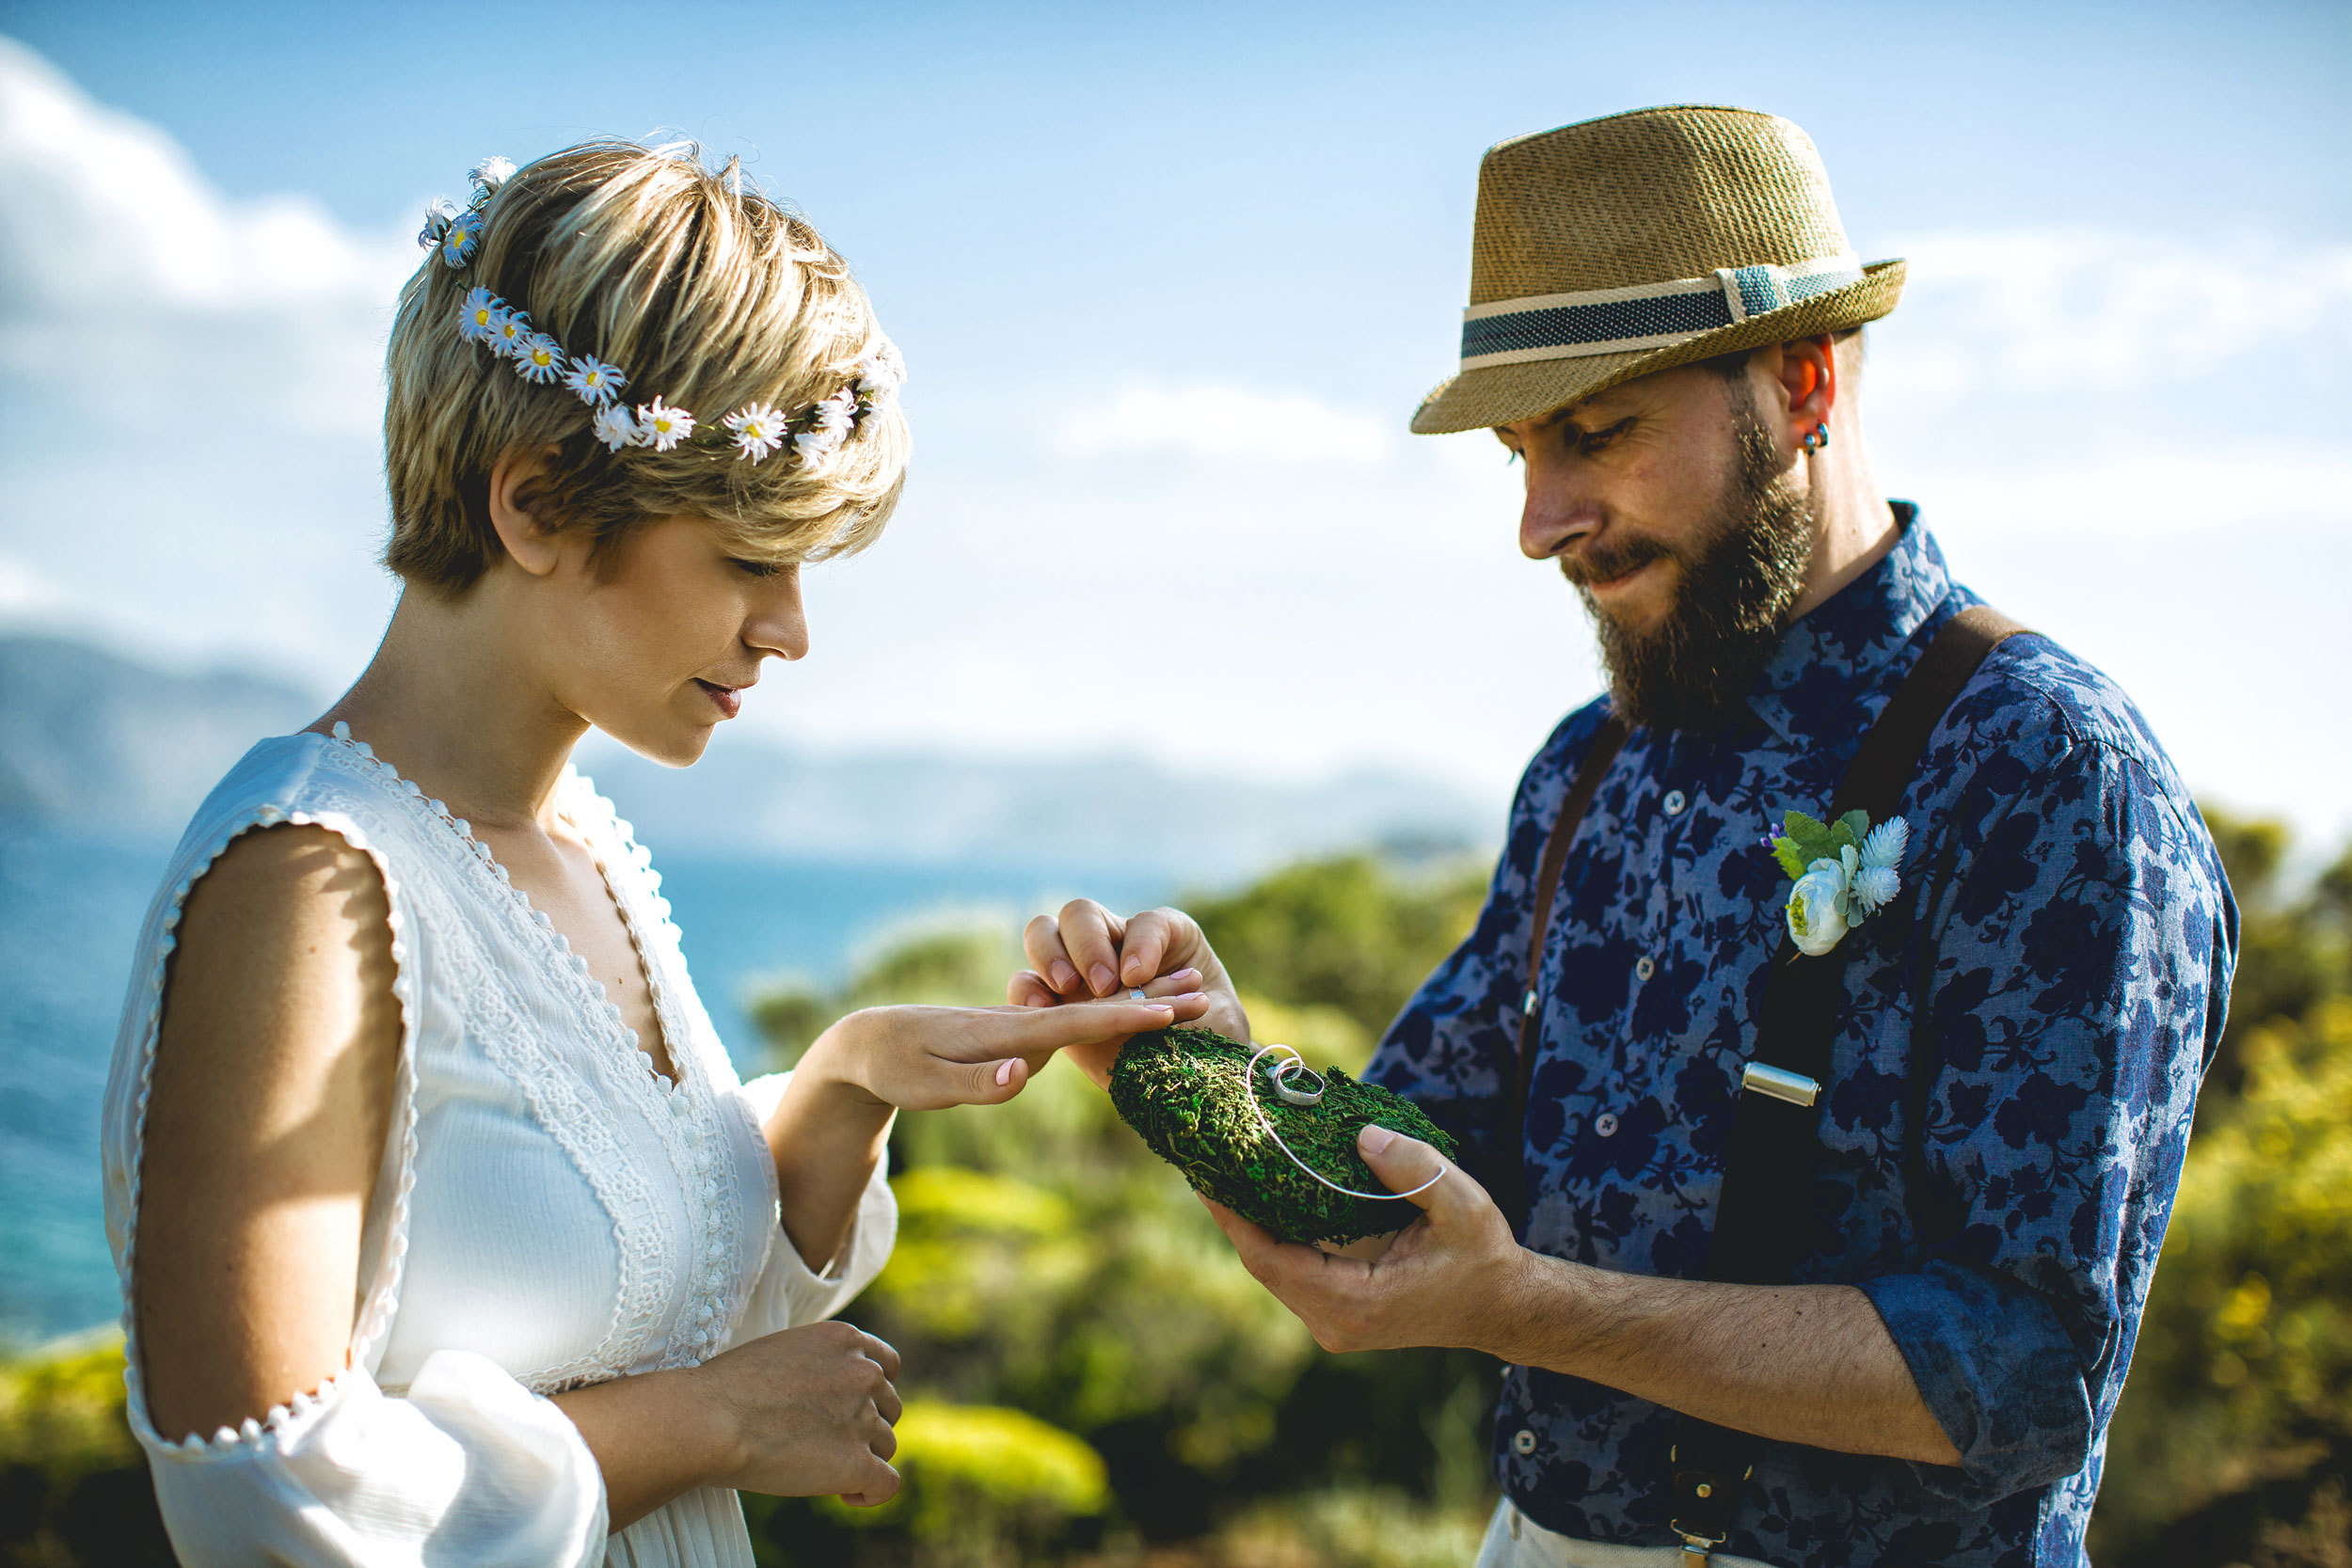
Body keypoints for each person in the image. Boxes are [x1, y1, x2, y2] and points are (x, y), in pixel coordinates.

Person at [1014, 106, 2234, 1566]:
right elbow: (1416, 1167)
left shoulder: (2044, 770)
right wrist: (1192, 1058)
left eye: (1596, 435)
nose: (1540, 522)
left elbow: (2030, 1371)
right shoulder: (1585, 767)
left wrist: (1528, 1307)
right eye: (1523, 452)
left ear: (1802, 380)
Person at [98, 141, 1206, 1568]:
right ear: (539, 504)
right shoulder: (307, 886)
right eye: (752, 560)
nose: (792, 630)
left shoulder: (585, 844)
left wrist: (844, 1084)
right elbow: (257, 1494)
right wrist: (710, 1430)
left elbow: (655, 1311)